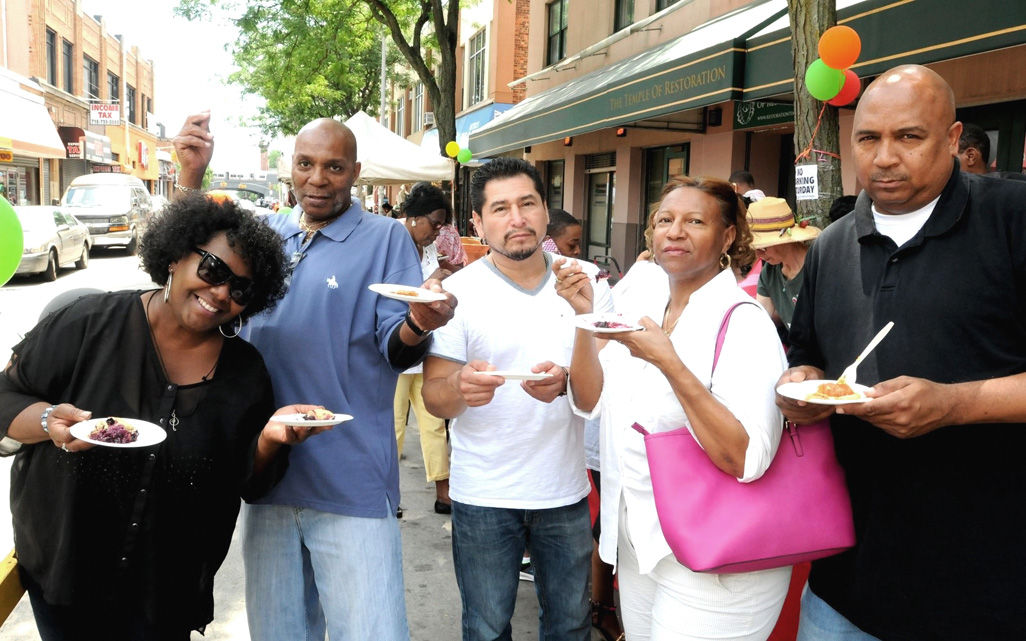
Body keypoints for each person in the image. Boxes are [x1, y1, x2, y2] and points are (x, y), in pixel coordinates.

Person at [173, 114, 457, 641]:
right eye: (306, 164)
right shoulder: (267, 234)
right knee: (280, 633)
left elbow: (395, 347)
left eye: (334, 166)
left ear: (355, 172)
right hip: (266, 472)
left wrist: (420, 322)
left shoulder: (385, 238)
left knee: (370, 632)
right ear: (291, 168)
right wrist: (192, 173)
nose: (318, 179)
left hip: (350, 477)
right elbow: (191, 270)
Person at [0, 196, 329, 640]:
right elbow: (5, 396)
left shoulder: (244, 372)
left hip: (166, 592)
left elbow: (247, 483)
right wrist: (47, 422)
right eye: (213, 270)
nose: (220, 293)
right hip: (67, 571)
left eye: (241, 289)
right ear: (176, 257)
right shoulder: (86, 323)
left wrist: (270, 439)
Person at [777, 64, 1026, 641]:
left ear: (954, 139)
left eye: (908, 137)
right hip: (844, 590)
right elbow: (807, 356)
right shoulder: (830, 246)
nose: (884, 157)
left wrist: (956, 404)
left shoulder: (1012, 221)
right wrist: (800, 388)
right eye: (868, 139)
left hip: (990, 591)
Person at [559, 175, 791, 641]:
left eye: (694, 221)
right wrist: (585, 321)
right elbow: (589, 399)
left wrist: (670, 363)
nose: (674, 231)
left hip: (716, 560)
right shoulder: (644, 305)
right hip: (643, 544)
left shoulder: (743, 322)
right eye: (664, 220)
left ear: (728, 237)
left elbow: (746, 458)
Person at [422, 157, 613, 641]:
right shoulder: (456, 293)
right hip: (482, 494)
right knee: (486, 628)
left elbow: (593, 400)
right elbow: (435, 398)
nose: (517, 218)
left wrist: (574, 354)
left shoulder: (585, 282)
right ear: (478, 223)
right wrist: (461, 386)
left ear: (546, 211)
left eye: (527, 203)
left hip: (564, 491)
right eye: (501, 208)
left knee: (570, 626)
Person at [394, 182, 453, 514]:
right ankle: (390, 495)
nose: (437, 231)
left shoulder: (427, 246)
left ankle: (443, 492)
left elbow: (430, 286)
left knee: (433, 422)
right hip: (398, 346)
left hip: (427, 346)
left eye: (442, 224)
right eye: (434, 222)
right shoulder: (390, 239)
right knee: (393, 424)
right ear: (414, 217)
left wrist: (440, 279)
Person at [749, 197, 820, 332]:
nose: (759, 255)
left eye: (763, 247)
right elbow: (759, 321)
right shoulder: (770, 272)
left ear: (786, 240)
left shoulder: (819, 268)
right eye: (754, 248)